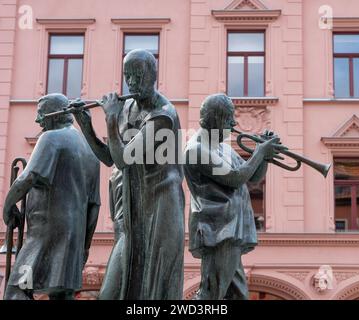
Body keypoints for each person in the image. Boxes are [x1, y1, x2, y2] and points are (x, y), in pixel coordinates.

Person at [72, 49, 185, 300]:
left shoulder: (163, 115)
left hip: (157, 211)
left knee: (141, 292)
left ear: (153, 75)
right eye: (128, 76)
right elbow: (110, 157)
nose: (132, 83)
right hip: (130, 210)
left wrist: (111, 119)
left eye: (138, 76)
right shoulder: (128, 108)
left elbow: (124, 159)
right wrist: (86, 125)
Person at [184, 93, 284, 300]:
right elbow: (236, 178)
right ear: (217, 119)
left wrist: (262, 155)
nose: (234, 123)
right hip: (218, 231)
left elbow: (253, 177)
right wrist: (260, 153)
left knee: (238, 294)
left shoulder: (224, 149)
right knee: (211, 293)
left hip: (230, 230)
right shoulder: (196, 149)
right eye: (229, 118)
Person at [3, 93, 101, 300]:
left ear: (56, 115)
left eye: (41, 115)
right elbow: (94, 206)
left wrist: (8, 207)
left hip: (45, 234)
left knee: (17, 290)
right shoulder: (91, 152)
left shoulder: (51, 138)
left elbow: (26, 178)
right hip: (73, 237)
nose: (38, 120)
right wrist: (84, 246)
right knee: (62, 295)